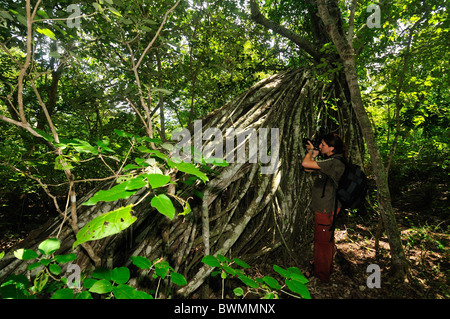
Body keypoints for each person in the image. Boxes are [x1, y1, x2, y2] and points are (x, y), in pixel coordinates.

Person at [301, 132, 346, 283]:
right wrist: (314, 153)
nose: (320, 147)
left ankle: (322, 274)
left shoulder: (334, 163)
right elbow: (309, 169)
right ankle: (322, 266)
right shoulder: (331, 162)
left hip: (327, 209)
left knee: (323, 243)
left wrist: (310, 152)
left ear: (331, 148)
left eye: (323, 145)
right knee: (324, 240)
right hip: (326, 208)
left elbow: (305, 164)